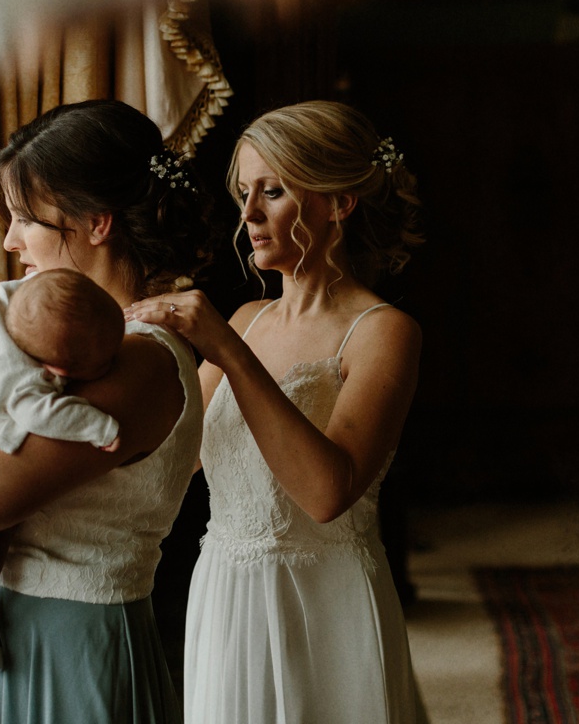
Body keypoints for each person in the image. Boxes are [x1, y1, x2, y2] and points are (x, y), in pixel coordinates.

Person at [125, 99, 428, 724]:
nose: (249, 215)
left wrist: (229, 353)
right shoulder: (246, 320)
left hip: (324, 602)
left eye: (273, 191)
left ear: (338, 203)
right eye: (244, 193)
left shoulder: (383, 332)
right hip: (226, 593)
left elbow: (326, 493)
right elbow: (170, 458)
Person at [0, 98, 214, 723]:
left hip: (64, 649)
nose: (9, 240)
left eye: (25, 218)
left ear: (96, 223)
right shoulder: (28, 335)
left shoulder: (143, 359)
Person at [0, 267, 128, 672]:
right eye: (103, 363)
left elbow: (42, 298)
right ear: (60, 371)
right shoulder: (23, 384)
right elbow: (43, 414)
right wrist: (100, 426)